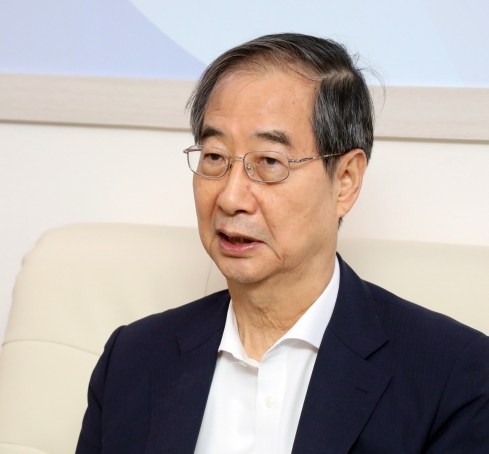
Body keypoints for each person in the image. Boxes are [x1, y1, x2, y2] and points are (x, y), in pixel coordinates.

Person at [75, 33, 489, 454]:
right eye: (215, 157)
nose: (231, 198)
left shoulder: (454, 375)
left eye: (269, 162)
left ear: (345, 180)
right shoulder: (132, 359)